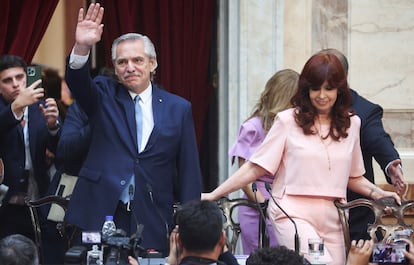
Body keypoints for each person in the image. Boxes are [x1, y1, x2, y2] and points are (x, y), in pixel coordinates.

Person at [202, 52, 401, 265]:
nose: (322, 95)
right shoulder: (287, 120)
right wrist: (215, 194)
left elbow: (353, 177)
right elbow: (254, 168)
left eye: (329, 88)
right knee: (320, 264)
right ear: (306, 90)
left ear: (339, 90)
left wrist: (378, 193)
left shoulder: (353, 124)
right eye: (315, 88)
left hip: (334, 215)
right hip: (292, 211)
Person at [64, 3, 202, 256]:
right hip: (102, 207)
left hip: (152, 213)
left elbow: (189, 171)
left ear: (153, 63)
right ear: (115, 69)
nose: (130, 67)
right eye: (122, 62)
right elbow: (77, 82)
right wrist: (82, 47)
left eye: (138, 60)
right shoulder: (103, 93)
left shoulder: (178, 108)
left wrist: (187, 224)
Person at [317, 49, 405, 241]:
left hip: (353, 217)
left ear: (343, 79)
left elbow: (378, 139)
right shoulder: (305, 109)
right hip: (310, 215)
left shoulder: (364, 110)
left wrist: (391, 163)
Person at [229, 69, 299, 254]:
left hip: (289, 209)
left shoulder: (296, 127)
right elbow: (244, 179)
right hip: (257, 210)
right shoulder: (253, 128)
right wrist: (267, 207)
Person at [0, 54, 60, 242]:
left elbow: (61, 150)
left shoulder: (40, 108)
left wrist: (53, 127)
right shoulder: (3, 111)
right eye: (7, 80)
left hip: (39, 199)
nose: (16, 84)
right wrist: (16, 107)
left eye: (19, 77)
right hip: (6, 202)